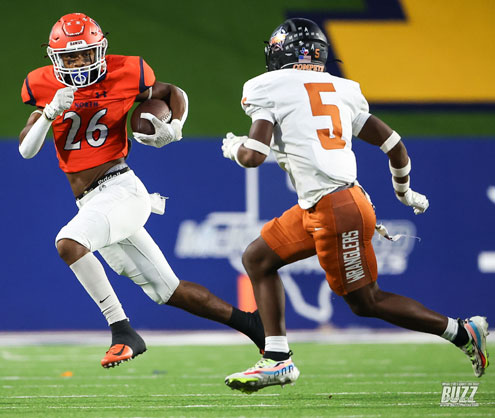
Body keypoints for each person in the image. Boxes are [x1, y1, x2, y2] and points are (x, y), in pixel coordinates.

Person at [221, 18, 489, 393]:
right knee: (258, 258)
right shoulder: (342, 89)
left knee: (367, 301)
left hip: (335, 208)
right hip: (325, 202)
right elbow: (394, 144)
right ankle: (278, 360)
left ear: (282, 52)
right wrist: (404, 192)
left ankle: (462, 331)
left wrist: (234, 147)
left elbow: (253, 155)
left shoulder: (267, 87)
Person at [19, 12, 264, 369]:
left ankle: (122, 332)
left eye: (86, 54)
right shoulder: (41, 84)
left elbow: (171, 92)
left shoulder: (126, 71)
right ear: (55, 58)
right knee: (170, 291)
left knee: (69, 243)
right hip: (91, 201)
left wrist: (176, 126)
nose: (78, 63)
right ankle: (253, 324)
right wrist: (47, 114)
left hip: (121, 189)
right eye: (70, 57)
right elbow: (26, 150)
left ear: (99, 50)